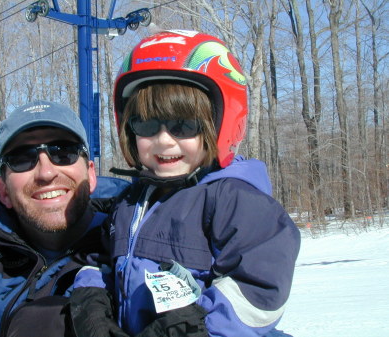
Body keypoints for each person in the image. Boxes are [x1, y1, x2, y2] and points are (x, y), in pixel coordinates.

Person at [71, 30, 301, 337]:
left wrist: (189, 329)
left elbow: (259, 287)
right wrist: (92, 304)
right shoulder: (130, 202)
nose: (163, 140)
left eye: (183, 125)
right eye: (147, 124)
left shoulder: (234, 200)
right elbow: (100, 260)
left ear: (221, 124)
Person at [0, 100, 114, 337]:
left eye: (63, 152)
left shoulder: (129, 243)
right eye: (22, 158)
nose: (46, 172)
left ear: (91, 175)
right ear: (3, 191)